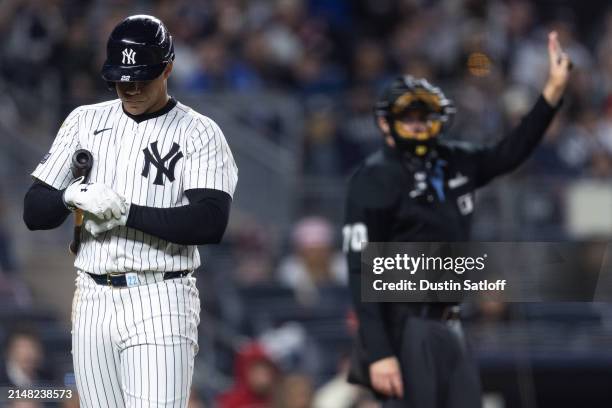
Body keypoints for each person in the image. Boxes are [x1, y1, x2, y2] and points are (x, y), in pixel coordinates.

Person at [343, 32, 571, 407]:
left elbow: (510, 152)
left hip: (451, 320)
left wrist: (551, 94)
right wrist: (380, 350)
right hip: (405, 322)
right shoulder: (373, 178)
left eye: (425, 115)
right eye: (408, 116)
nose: (418, 124)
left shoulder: (455, 160)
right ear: (385, 124)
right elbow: (359, 269)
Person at [22, 15, 238, 407]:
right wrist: (70, 195)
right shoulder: (84, 121)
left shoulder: (199, 131)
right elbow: (34, 212)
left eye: (141, 77)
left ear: (167, 68)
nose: (130, 87)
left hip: (161, 294)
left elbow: (210, 221)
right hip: (90, 295)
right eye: (122, 78)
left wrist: (126, 213)